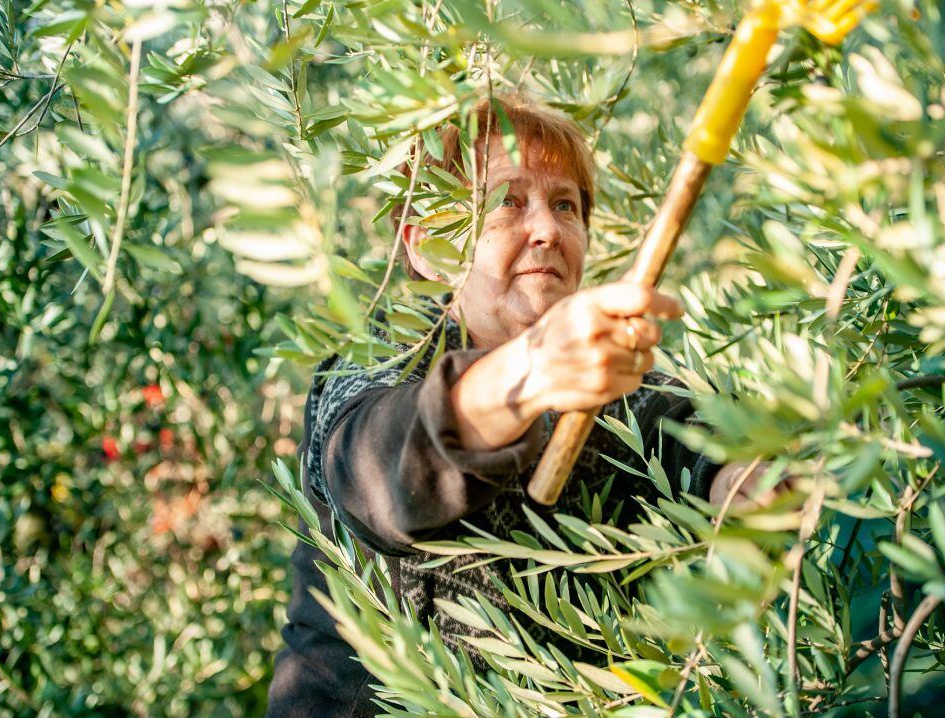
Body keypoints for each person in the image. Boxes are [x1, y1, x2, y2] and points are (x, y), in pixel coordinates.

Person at [266, 95, 774, 717]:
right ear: (428, 247)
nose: (548, 230)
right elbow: (381, 465)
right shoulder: (372, 364)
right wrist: (531, 372)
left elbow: (697, 439)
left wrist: (748, 480)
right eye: (508, 201)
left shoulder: (622, 391)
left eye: (565, 205)